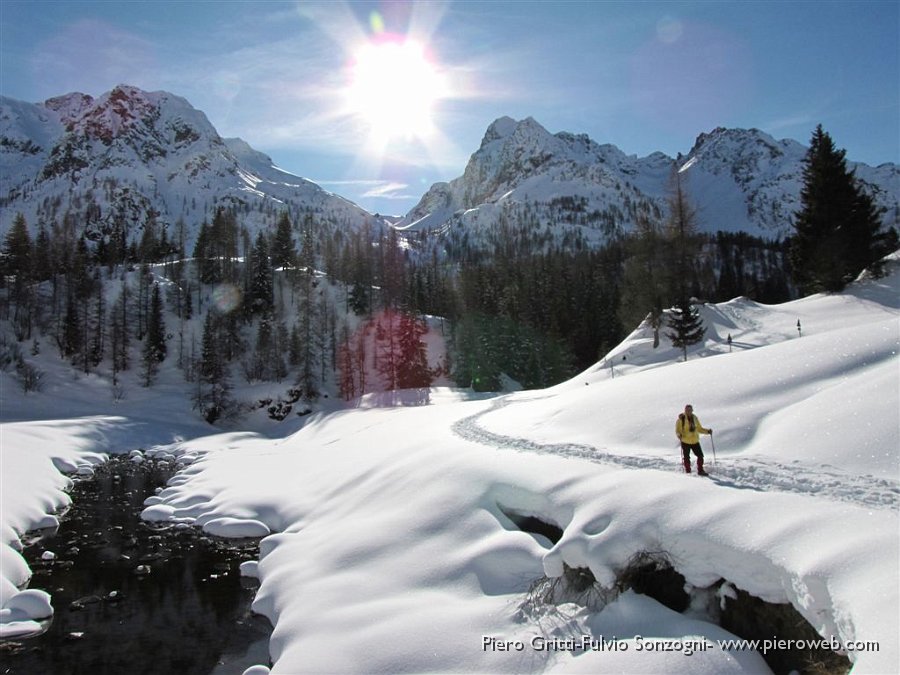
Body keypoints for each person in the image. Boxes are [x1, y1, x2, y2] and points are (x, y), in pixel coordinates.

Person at [675, 404, 713, 475]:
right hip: (685, 441)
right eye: (687, 410)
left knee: (700, 455)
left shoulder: (695, 418)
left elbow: (699, 429)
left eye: (690, 410)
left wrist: (707, 431)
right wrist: (679, 435)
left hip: (695, 440)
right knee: (686, 457)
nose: (688, 411)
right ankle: (688, 471)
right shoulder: (681, 419)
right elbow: (677, 430)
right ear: (685, 410)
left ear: (692, 410)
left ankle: (700, 470)